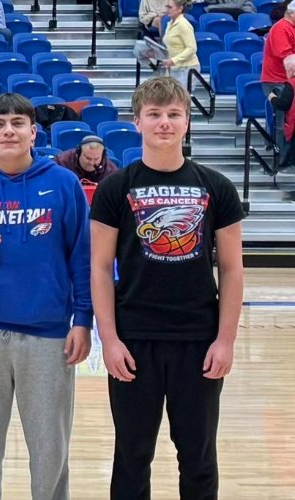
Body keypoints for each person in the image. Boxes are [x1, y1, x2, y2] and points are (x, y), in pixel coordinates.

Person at [92, 76, 244, 499]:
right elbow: (101, 268)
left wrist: (226, 340)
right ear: (137, 122)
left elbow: (232, 270)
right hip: (134, 338)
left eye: (173, 114)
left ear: (187, 122)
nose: (164, 123)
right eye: (154, 115)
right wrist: (109, 339)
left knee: (197, 456)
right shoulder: (113, 188)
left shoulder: (218, 187)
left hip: (197, 340)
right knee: (132, 455)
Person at [0, 92, 92, 500]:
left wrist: (83, 320)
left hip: (47, 336)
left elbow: (82, 255)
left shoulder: (63, 183)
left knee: (50, 450)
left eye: (16, 123)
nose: (7, 131)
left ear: (33, 131)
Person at [261, 2, 294, 153]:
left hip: (287, 80)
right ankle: (281, 159)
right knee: (283, 121)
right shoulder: (281, 28)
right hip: (277, 79)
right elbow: (286, 56)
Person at [55, 135, 120, 183]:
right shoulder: (61, 162)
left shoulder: (111, 171)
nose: (91, 163)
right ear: (79, 152)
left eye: (96, 159)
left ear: (103, 156)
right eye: (88, 158)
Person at [161, 0, 197, 87]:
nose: (167, 9)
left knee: (180, 98)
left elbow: (192, 48)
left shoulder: (183, 25)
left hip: (186, 68)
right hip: (174, 67)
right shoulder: (169, 24)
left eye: (170, 7)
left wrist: (173, 60)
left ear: (180, 9)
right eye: (167, 7)